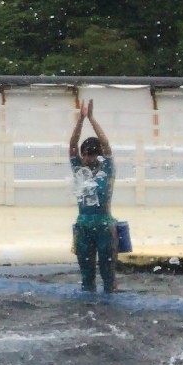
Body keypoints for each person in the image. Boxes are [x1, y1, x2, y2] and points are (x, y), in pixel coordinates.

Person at [70, 100, 117, 294]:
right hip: (83, 226)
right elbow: (72, 144)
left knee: (108, 277)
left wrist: (91, 118)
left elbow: (105, 143)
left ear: (99, 156)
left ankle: (111, 309)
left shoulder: (107, 170)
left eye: (92, 155)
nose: (88, 158)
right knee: (86, 278)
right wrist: (80, 120)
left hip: (105, 225)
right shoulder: (79, 170)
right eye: (85, 155)